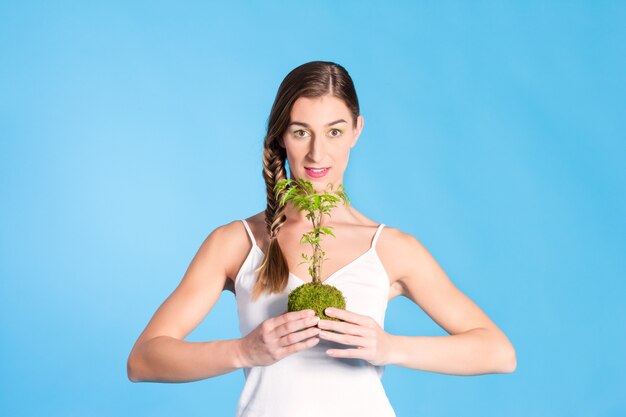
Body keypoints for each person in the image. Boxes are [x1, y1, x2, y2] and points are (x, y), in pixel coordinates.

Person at [127, 61, 517, 416]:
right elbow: (143, 360)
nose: (317, 153)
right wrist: (244, 351)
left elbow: (497, 352)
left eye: (334, 131)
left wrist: (391, 347)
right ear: (281, 136)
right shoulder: (237, 242)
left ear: (356, 131)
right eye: (301, 132)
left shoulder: (390, 248)